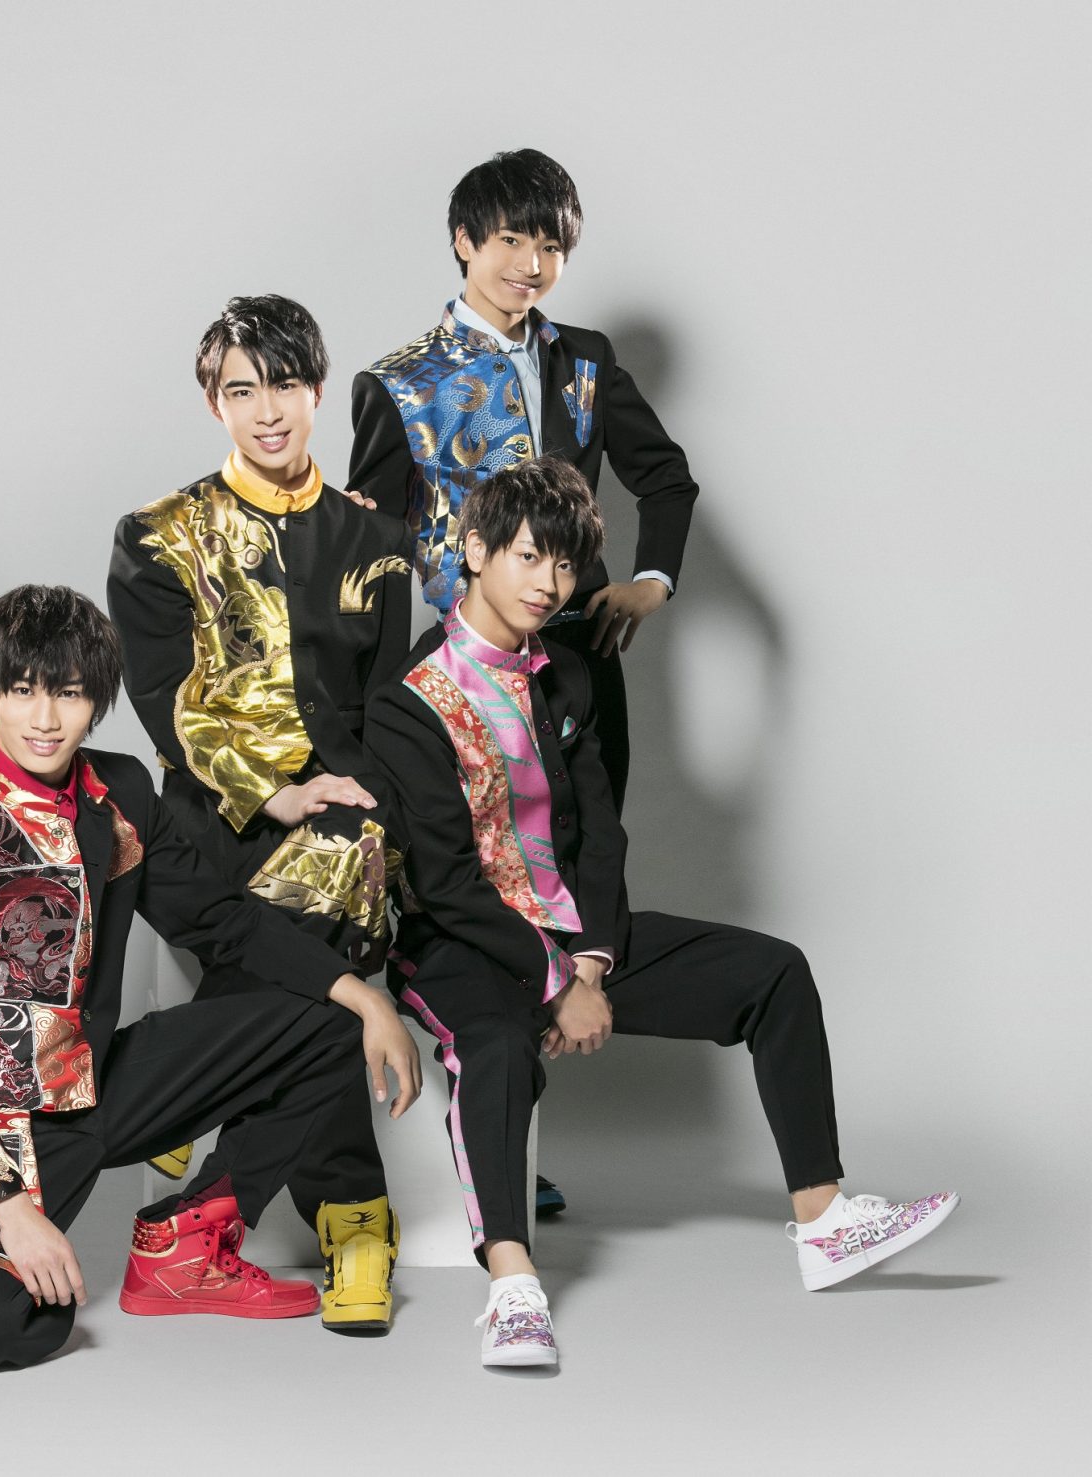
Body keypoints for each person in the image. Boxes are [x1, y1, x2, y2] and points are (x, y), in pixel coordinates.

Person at [363, 460, 956, 1368]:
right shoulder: (408, 698)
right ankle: (514, 1287)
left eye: (565, 565)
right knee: (497, 1046)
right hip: (461, 945)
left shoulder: (567, 673)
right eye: (528, 557)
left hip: (574, 933)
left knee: (773, 974)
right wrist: (554, 983)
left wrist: (591, 963)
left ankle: (824, 1219)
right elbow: (444, 883)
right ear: (475, 551)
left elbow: (601, 833)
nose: (549, 583)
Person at [0, 585, 420, 1370]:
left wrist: (363, 995)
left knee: (330, 1021)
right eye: (22, 691)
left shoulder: (121, 790)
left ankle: (184, 1244)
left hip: (100, 1083)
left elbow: (220, 919)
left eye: (69, 692)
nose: (45, 718)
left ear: (97, 698)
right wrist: (11, 1210)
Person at [107, 293, 420, 1331]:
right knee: (322, 914)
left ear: (317, 390)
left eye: (284, 386)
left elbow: (383, 701)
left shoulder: (374, 537)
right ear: (215, 404)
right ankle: (355, 1216)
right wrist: (273, 787)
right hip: (210, 825)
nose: (268, 411)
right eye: (242, 391)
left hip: (347, 817)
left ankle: (201, 1098)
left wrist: (365, 804)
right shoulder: (158, 535)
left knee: (343, 857)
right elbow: (163, 698)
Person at [348, 148, 699, 812]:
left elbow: (667, 478)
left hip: (583, 650)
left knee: (597, 839)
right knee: (478, 852)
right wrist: (376, 696)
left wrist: (653, 581)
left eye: (550, 247)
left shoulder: (588, 359)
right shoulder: (399, 384)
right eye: (511, 240)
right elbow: (374, 552)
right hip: (466, 661)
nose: (531, 265)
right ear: (465, 241)